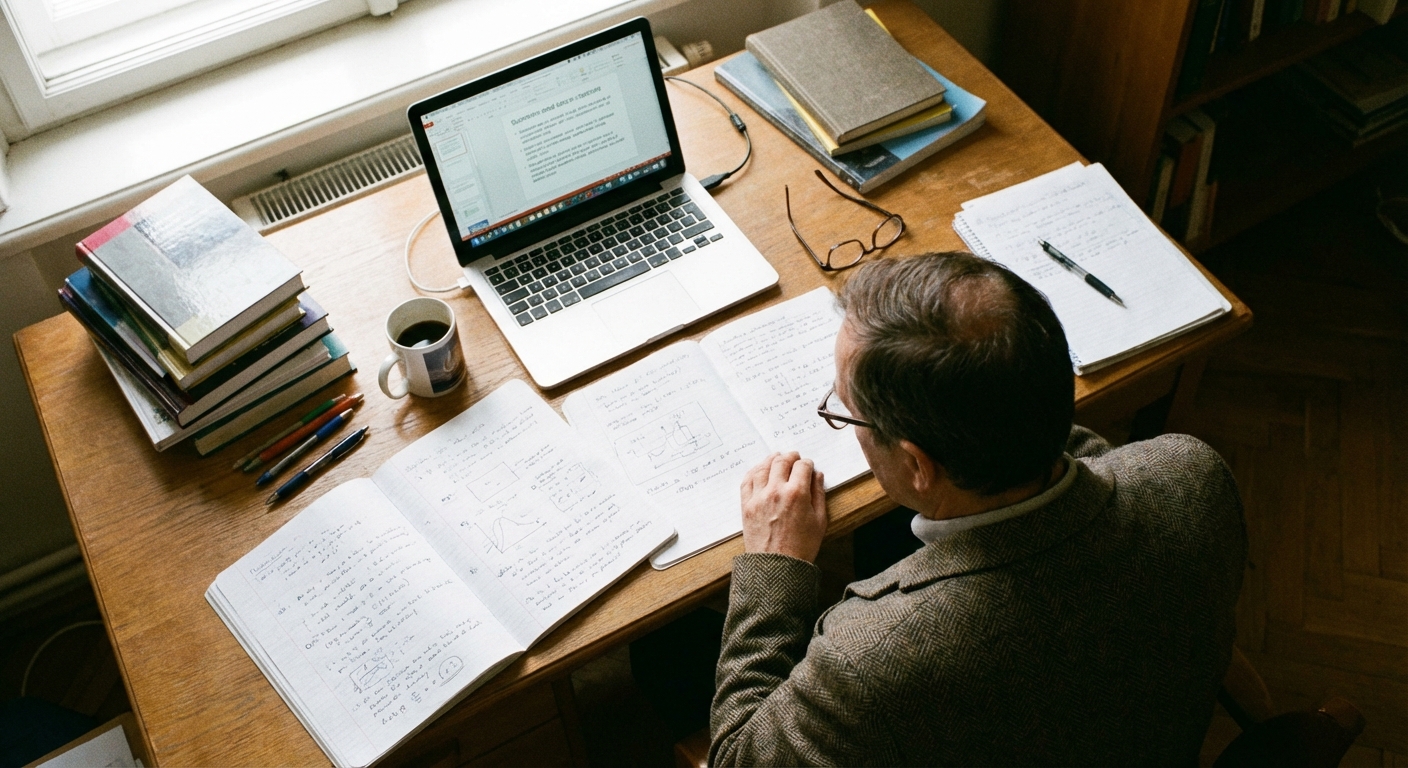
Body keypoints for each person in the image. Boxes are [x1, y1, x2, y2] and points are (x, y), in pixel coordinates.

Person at [709, 252, 1247, 766]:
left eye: (847, 413)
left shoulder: (870, 661)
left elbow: (736, 757)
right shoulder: (1192, 474)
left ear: (918, 466)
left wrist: (776, 564)